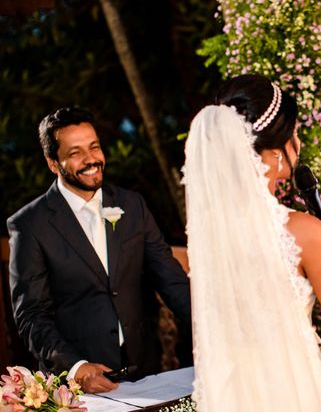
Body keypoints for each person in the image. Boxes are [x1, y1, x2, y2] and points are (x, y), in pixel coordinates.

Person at [183, 74, 321, 412]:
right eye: (295, 134)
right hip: (294, 400)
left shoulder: (212, 236)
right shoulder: (302, 231)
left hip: (236, 405)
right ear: (274, 154)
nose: (298, 143)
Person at [7, 107, 191, 394]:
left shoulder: (133, 206)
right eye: (75, 152)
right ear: (53, 163)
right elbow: (31, 315)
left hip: (147, 371)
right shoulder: (30, 224)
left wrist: (213, 330)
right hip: (79, 388)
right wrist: (76, 368)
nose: (91, 159)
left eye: (94, 147)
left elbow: (173, 282)